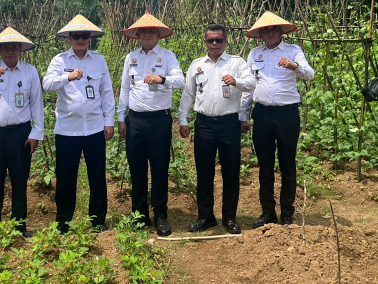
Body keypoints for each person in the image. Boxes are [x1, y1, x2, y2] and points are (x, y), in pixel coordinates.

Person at [178, 23, 254, 235]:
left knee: (231, 172)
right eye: (210, 40)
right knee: (204, 172)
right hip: (204, 124)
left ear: (225, 42)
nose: (214, 44)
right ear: (205, 42)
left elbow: (251, 84)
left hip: (229, 123)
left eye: (218, 40)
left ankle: (229, 217)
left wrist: (236, 81)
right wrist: (183, 119)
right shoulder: (197, 65)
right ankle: (205, 217)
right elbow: (188, 94)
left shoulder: (236, 63)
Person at [241, 11, 314, 228]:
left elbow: (310, 74)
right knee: (264, 166)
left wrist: (294, 66)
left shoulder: (293, 51)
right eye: (266, 29)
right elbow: (248, 86)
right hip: (262, 114)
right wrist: (243, 115)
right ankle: (267, 212)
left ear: (281, 31)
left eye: (274, 29)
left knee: (287, 164)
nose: (270, 32)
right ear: (261, 33)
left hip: (287, 115)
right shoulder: (255, 54)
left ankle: (287, 213)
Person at [43, 14, 115, 233]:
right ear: (70, 38)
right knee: (65, 177)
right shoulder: (59, 61)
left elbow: (107, 92)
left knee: (97, 176)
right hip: (67, 129)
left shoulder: (99, 60)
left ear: (89, 38)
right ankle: (63, 221)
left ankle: (98, 221)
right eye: (76, 36)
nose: (80, 40)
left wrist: (108, 121)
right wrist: (67, 77)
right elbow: (47, 84)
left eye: (84, 36)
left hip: (94, 127)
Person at [117, 12, 185, 237]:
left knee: (159, 168)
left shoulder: (167, 57)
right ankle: (139, 213)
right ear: (137, 35)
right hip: (135, 120)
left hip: (159, 120)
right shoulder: (131, 58)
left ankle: (161, 214)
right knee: (136, 168)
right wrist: (120, 117)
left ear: (158, 34)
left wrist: (161, 79)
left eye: (151, 31)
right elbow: (125, 88)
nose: (147, 34)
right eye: (143, 31)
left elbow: (180, 81)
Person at [0, 26, 44, 236]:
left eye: (15, 48)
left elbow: (36, 104)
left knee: (20, 179)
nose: (10, 52)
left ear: (20, 50)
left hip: (21, 133)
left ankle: (20, 225)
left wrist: (36, 134)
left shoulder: (30, 71)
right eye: (6, 48)